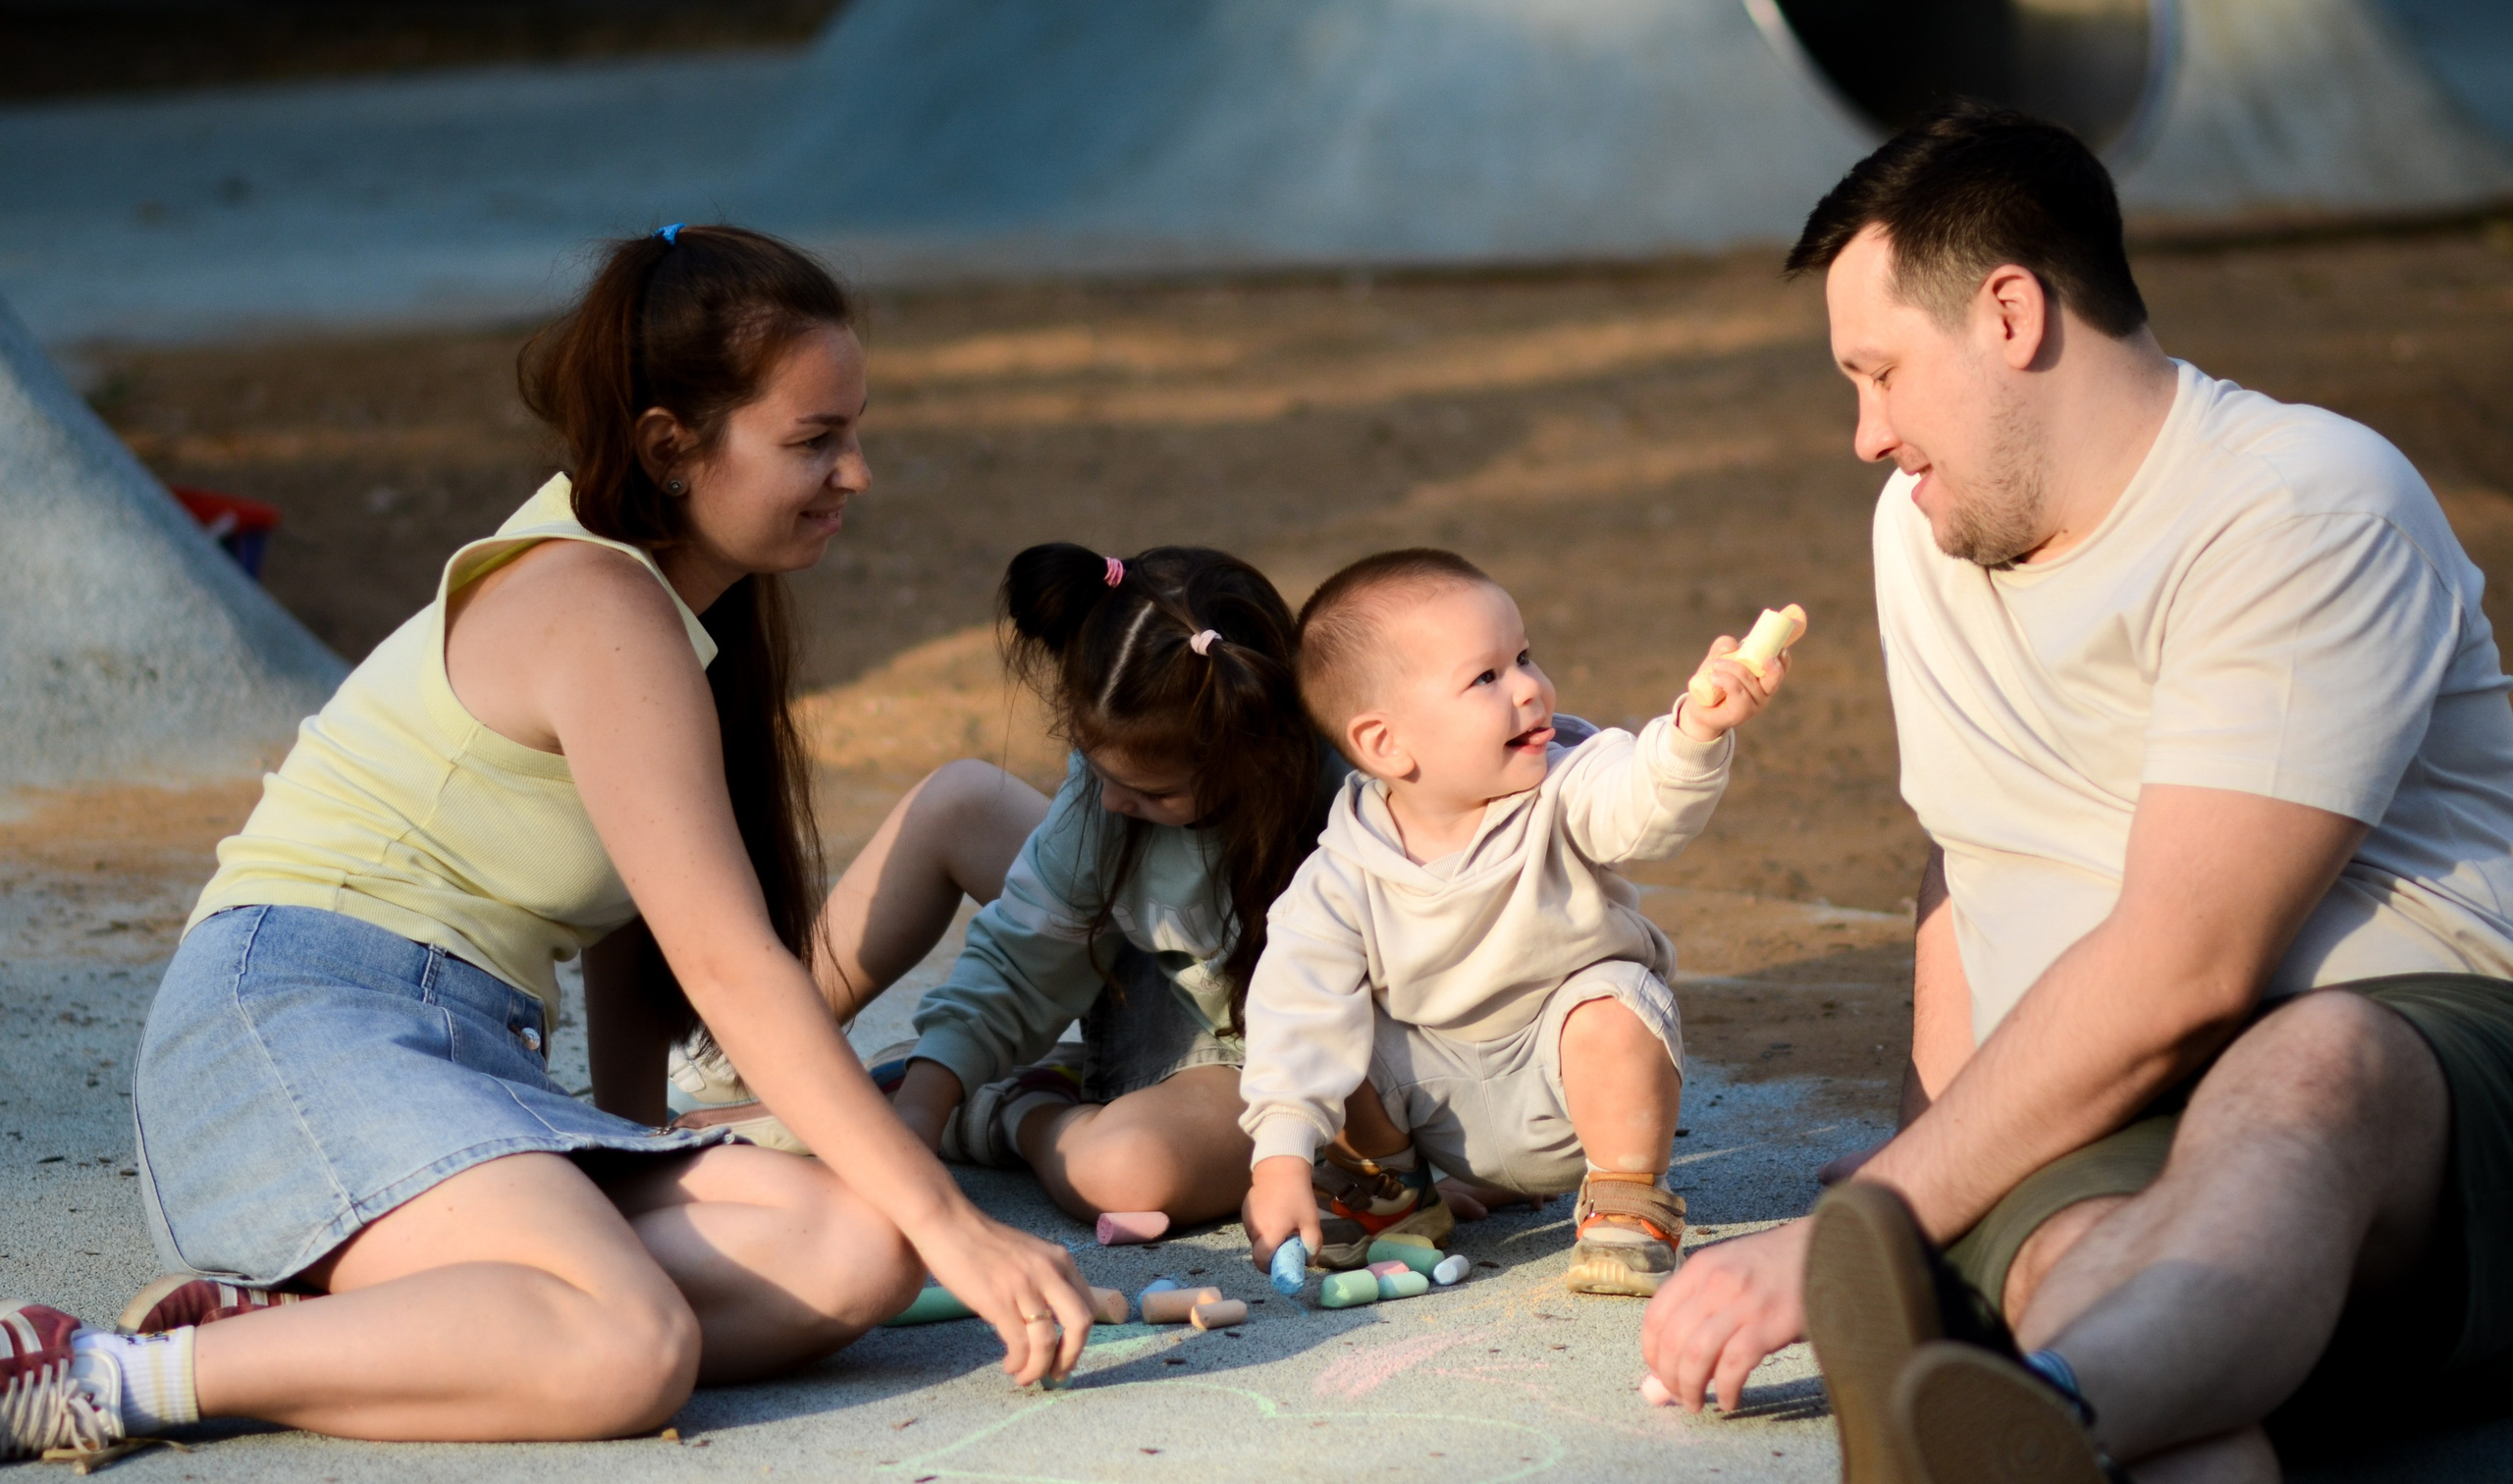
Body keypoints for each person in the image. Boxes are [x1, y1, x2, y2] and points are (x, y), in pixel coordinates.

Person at [0, 225, 1096, 1464]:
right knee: (627, 1350)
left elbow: (633, 933)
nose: (856, 473)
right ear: (671, 448)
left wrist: (641, 1139)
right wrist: (958, 1220)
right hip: (298, 1026)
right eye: (812, 441)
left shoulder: (679, 616)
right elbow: (732, 968)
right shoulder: (600, 604)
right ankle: (106, 1371)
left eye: (852, 431)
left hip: (460, 1061)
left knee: (856, 1249)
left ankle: (355, 1320)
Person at [1638, 103, 2513, 1481]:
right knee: (2088, 1289)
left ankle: (2048, 1417)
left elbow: (2191, 970)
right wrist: (1935, 1146)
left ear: (2008, 314)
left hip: (2418, 1084)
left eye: (1880, 374)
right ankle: (2047, 1412)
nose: (1866, 436)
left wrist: (1879, 1215)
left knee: (2310, 1064)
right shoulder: (1921, 532)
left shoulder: (2299, 507)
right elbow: (1968, 852)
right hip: (2103, 1102)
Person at [678, 542, 1341, 1232]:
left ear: (1251, 753)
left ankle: (1013, 1105)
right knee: (960, 799)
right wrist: (915, 1121)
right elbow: (1021, 961)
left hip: (1256, 1050)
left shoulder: (1342, 807)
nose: (1111, 800)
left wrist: (1393, 1151)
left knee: (1126, 1171)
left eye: (1151, 791)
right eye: (1097, 768)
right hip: (1147, 960)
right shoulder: (1113, 794)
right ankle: (760, 1049)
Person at [1239, 549, 1787, 1296]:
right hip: (1430, 1107)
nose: (1530, 687)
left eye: (1524, 657)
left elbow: (1642, 806)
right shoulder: (1339, 876)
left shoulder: (1569, 779)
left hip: (1567, 1094)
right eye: (1487, 678)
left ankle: (1627, 1207)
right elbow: (1294, 1015)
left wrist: (1692, 734)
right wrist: (1278, 1158)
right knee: (1331, 1027)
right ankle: (1388, 1192)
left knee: (1614, 1000)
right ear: (1383, 743)